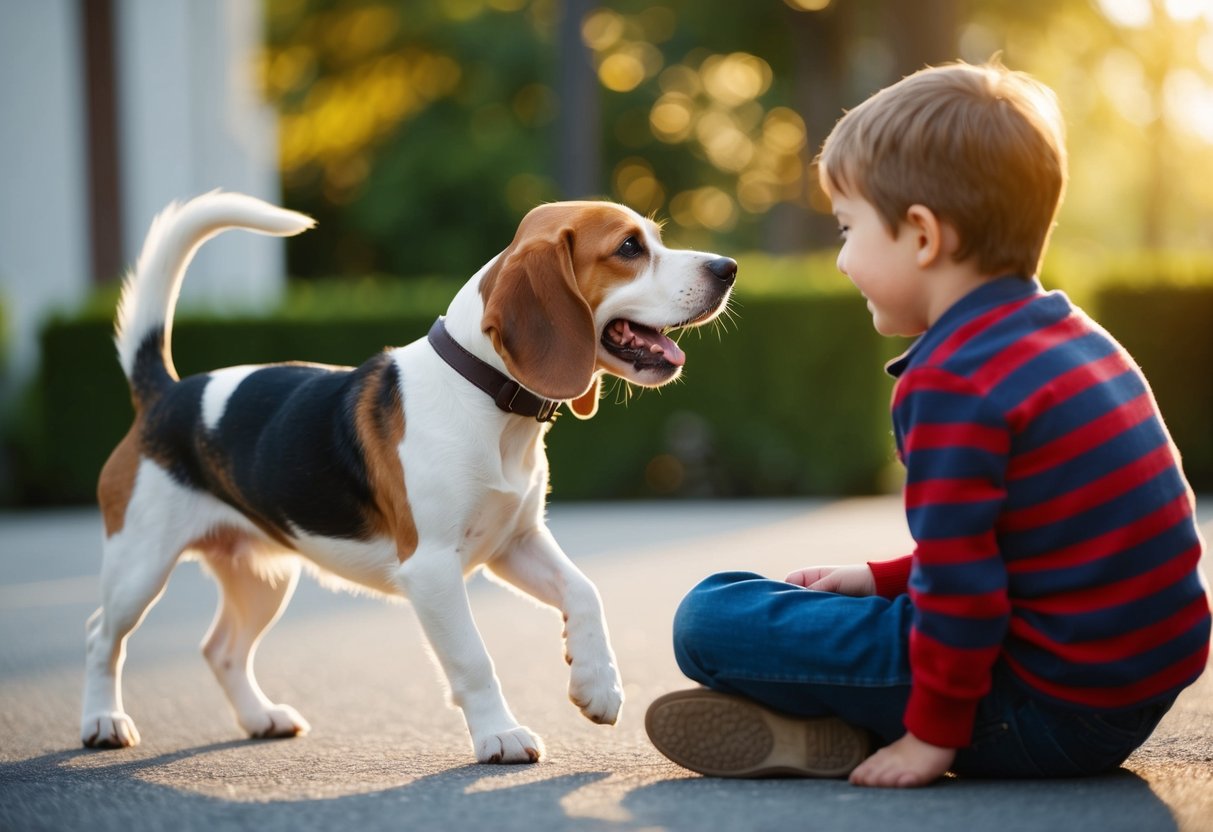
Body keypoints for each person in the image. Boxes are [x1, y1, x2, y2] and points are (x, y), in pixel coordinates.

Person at [644, 60, 1211, 788]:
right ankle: (841, 722)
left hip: (1034, 711)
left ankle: (872, 726)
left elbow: (962, 588)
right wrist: (878, 580)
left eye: (847, 229)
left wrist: (930, 740)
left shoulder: (952, 378)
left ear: (920, 235)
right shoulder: (1076, 340)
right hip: (1125, 697)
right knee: (818, 609)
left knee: (712, 617)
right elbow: (1036, 548)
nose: (842, 260)